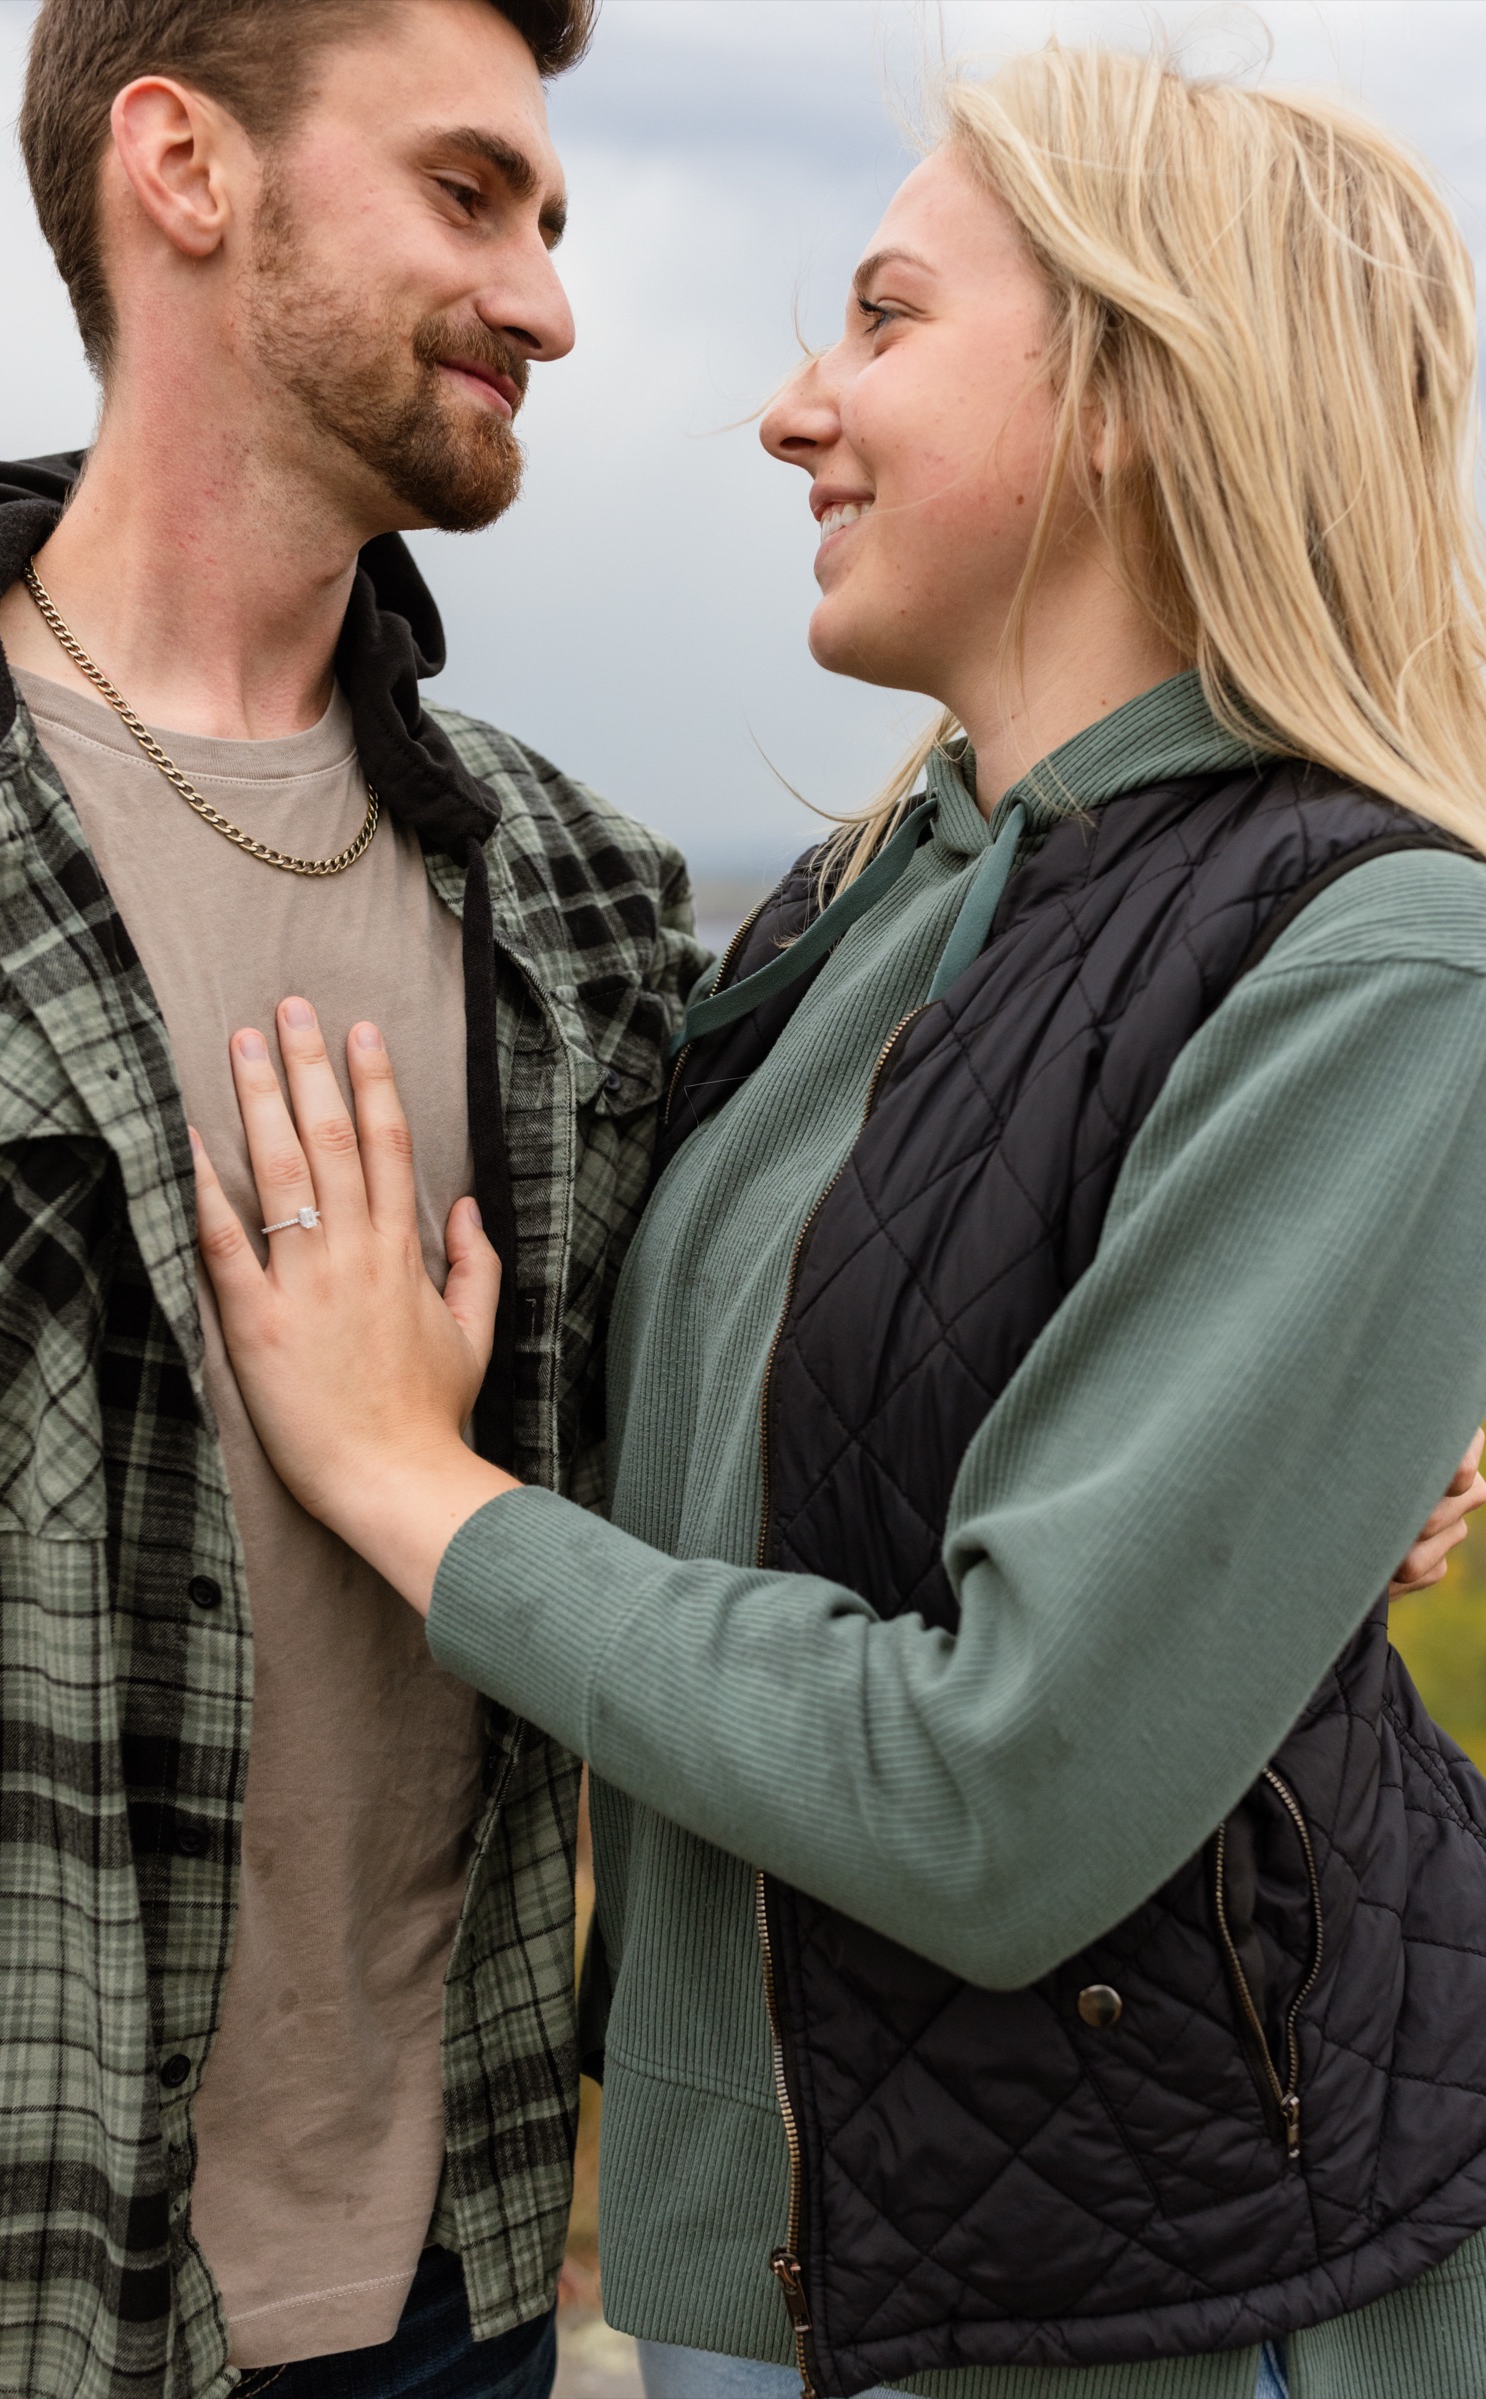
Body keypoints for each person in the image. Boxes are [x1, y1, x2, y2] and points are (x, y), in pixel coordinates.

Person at [194, 41, 1486, 2399]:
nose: (789, 409)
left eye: (882, 319)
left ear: (1126, 386)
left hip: (1170, 2309)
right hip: (773, 2257)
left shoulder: (1383, 953)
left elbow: (997, 1799)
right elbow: (768, 1436)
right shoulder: (876, 899)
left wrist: (410, 1480)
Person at [0, 3, 711, 2396]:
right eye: (470, 196)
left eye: (547, 219)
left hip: (444, 2278)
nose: (549, 299)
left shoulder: (579, 904)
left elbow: (818, 1354)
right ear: (184, 167)